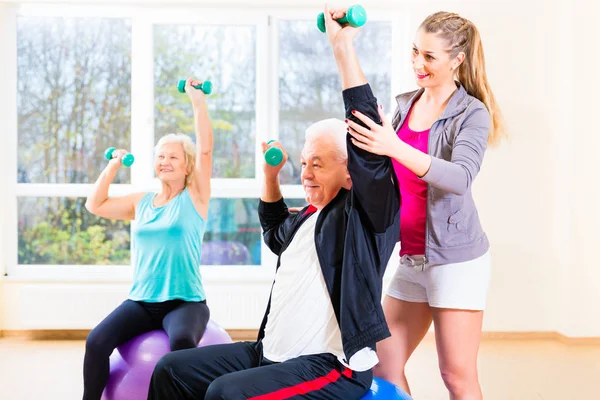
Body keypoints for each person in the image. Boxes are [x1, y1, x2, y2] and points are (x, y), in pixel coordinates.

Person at [145, 8, 401, 400]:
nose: (306, 172)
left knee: (224, 394)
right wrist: (270, 177)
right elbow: (273, 233)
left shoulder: (364, 217)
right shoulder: (310, 217)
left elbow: (369, 150)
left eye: (317, 163)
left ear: (350, 175)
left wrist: (342, 49)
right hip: (269, 353)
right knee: (170, 369)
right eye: (303, 163)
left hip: (330, 364)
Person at [339, 10, 505, 400]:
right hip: (411, 258)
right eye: (415, 52)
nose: (418, 64)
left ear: (457, 59)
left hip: (455, 261)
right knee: (383, 362)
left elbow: (460, 177)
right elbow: (393, 171)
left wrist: (393, 146)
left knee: (456, 376)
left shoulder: (471, 113)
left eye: (429, 56)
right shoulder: (405, 105)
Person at [82, 77, 214, 400]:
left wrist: (197, 100)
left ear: (187, 166)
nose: (165, 161)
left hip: (186, 301)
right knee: (96, 342)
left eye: (173, 157)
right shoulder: (141, 202)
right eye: (160, 157)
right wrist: (113, 166)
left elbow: (206, 146)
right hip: (142, 301)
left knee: (181, 345)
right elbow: (94, 204)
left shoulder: (195, 196)